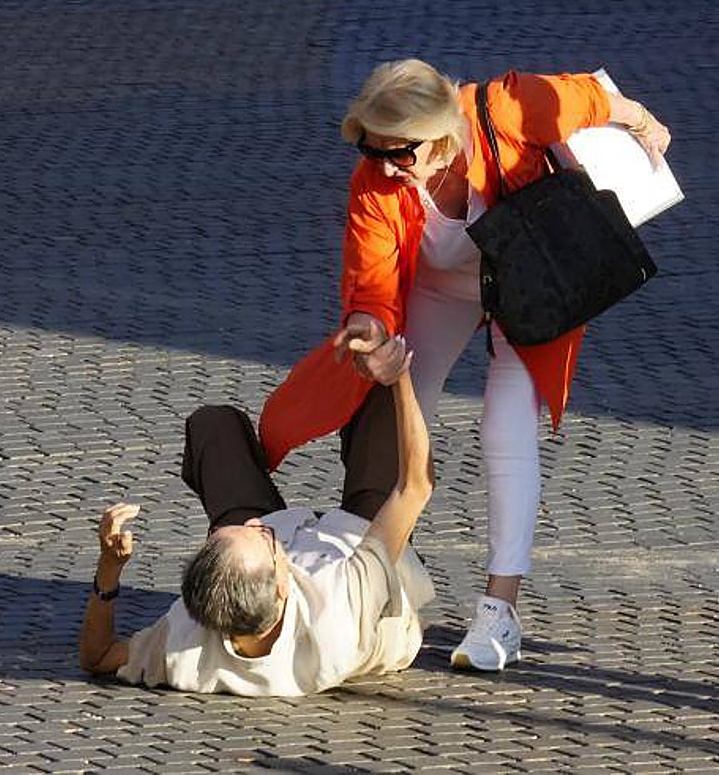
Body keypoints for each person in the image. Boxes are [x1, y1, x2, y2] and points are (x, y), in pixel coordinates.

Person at [259, 59, 671, 671]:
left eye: (401, 153)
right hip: (438, 290)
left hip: (532, 280)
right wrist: (369, 331)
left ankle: (499, 610)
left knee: (505, 428)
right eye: (374, 152)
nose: (387, 167)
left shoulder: (504, 109)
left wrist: (643, 121)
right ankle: (384, 576)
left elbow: (584, 97)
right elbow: (369, 280)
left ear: (442, 135)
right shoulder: (375, 181)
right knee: (396, 419)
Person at [78, 337, 436, 696]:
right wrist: (399, 377)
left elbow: (98, 657)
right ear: (283, 585)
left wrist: (109, 568)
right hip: (360, 541)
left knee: (214, 427)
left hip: (262, 572)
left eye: (224, 537)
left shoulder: (188, 644)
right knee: (382, 403)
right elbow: (414, 487)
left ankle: (266, 449)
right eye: (266, 538)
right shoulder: (343, 608)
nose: (254, 525)